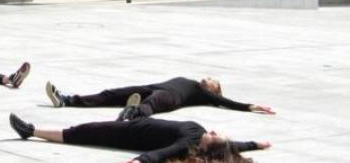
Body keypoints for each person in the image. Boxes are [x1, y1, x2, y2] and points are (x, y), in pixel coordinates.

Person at [8, 112, 271, 163]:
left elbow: (161, 155)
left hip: (128, 136)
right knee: (89, 128)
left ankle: (31, 131)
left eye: (213, 135)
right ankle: (130, 113)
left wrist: (140, 161)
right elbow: (232, 146)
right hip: (140, 124)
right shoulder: (203, 136)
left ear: (208, 146)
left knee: (82, 131)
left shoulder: (188, 144)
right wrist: (256, 144)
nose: (211, 131)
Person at [44, 76, 275, 119]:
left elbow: (226, 103)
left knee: (150, 105)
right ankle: (67, 100)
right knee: (111, 94)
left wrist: (250, 106)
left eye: (213, 81)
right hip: (150, 86)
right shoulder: (193, 82)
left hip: (169, 96)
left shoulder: (202, 93)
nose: (208, 78)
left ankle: (134, 114)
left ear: (214, 90)